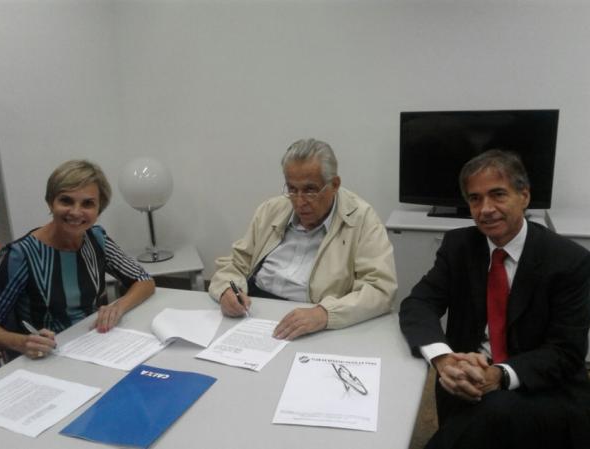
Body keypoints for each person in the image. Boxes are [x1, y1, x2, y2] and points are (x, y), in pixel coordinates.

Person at [399, 149, 590, 449]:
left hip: (542, 386)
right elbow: (418, 303)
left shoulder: (569, 261)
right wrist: (444, 358)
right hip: (470, 374)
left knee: (493, 413)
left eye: (498, 194)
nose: (486, 209)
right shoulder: (459, 246)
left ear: (524, 196)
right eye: (475, 199)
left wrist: (499, 375)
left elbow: (565, 351)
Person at [209, 138, 397, 340]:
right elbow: (235, 264)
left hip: (314, 320)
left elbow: (380, 289)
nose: (299, 202)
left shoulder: (361, 219)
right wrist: (227, 290)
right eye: (292, 189)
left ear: (334, 185)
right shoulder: (271, 210)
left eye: (310, 190)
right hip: (253, 312)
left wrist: (325, 314)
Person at [0, 160, 155, 361]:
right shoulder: (21, 255)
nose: (76, 212)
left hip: (96, 344)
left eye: (87, 203)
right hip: (46, 357)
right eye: (66, 201)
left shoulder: (97, 240)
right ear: (51, 202)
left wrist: (118, 307)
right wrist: (21, 342)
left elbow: (143, 279)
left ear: (99, 209)